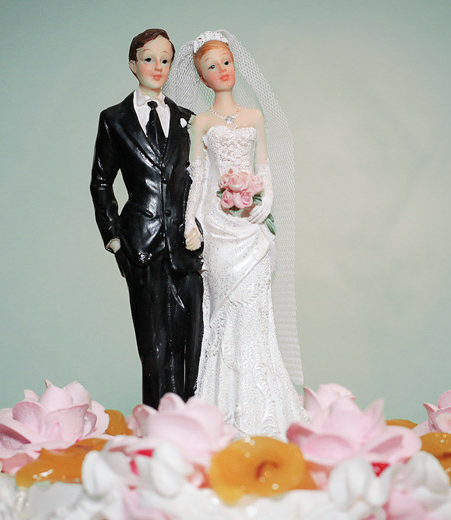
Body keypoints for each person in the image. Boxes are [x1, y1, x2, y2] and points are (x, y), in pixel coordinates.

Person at [164, 30, 306, 438]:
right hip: (218, 226)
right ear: (201, 77)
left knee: (255, 311)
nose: (221, 70)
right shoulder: (201, 122)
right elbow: (198, 174)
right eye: (211, 66)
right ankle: (220, 408)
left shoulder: (254, 117)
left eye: (225, 62)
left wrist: (262, 205)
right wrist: (191, 221)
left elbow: (264, 166)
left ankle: (264, 409)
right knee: (223, 313)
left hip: (250, 226)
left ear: (234, 65)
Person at [90, 28, 204, 409]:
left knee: (190, 343)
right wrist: (114, 237)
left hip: (185, 248)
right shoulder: (114, 119)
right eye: (149, 58)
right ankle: (157, 432)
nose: (158, 67)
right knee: (154, 347)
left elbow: (200, 182)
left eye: (165, 59)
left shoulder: (188, 120)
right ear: (133, 64)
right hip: (140, 243)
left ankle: (190, 430)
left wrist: (198, 227)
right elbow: (102, 181)